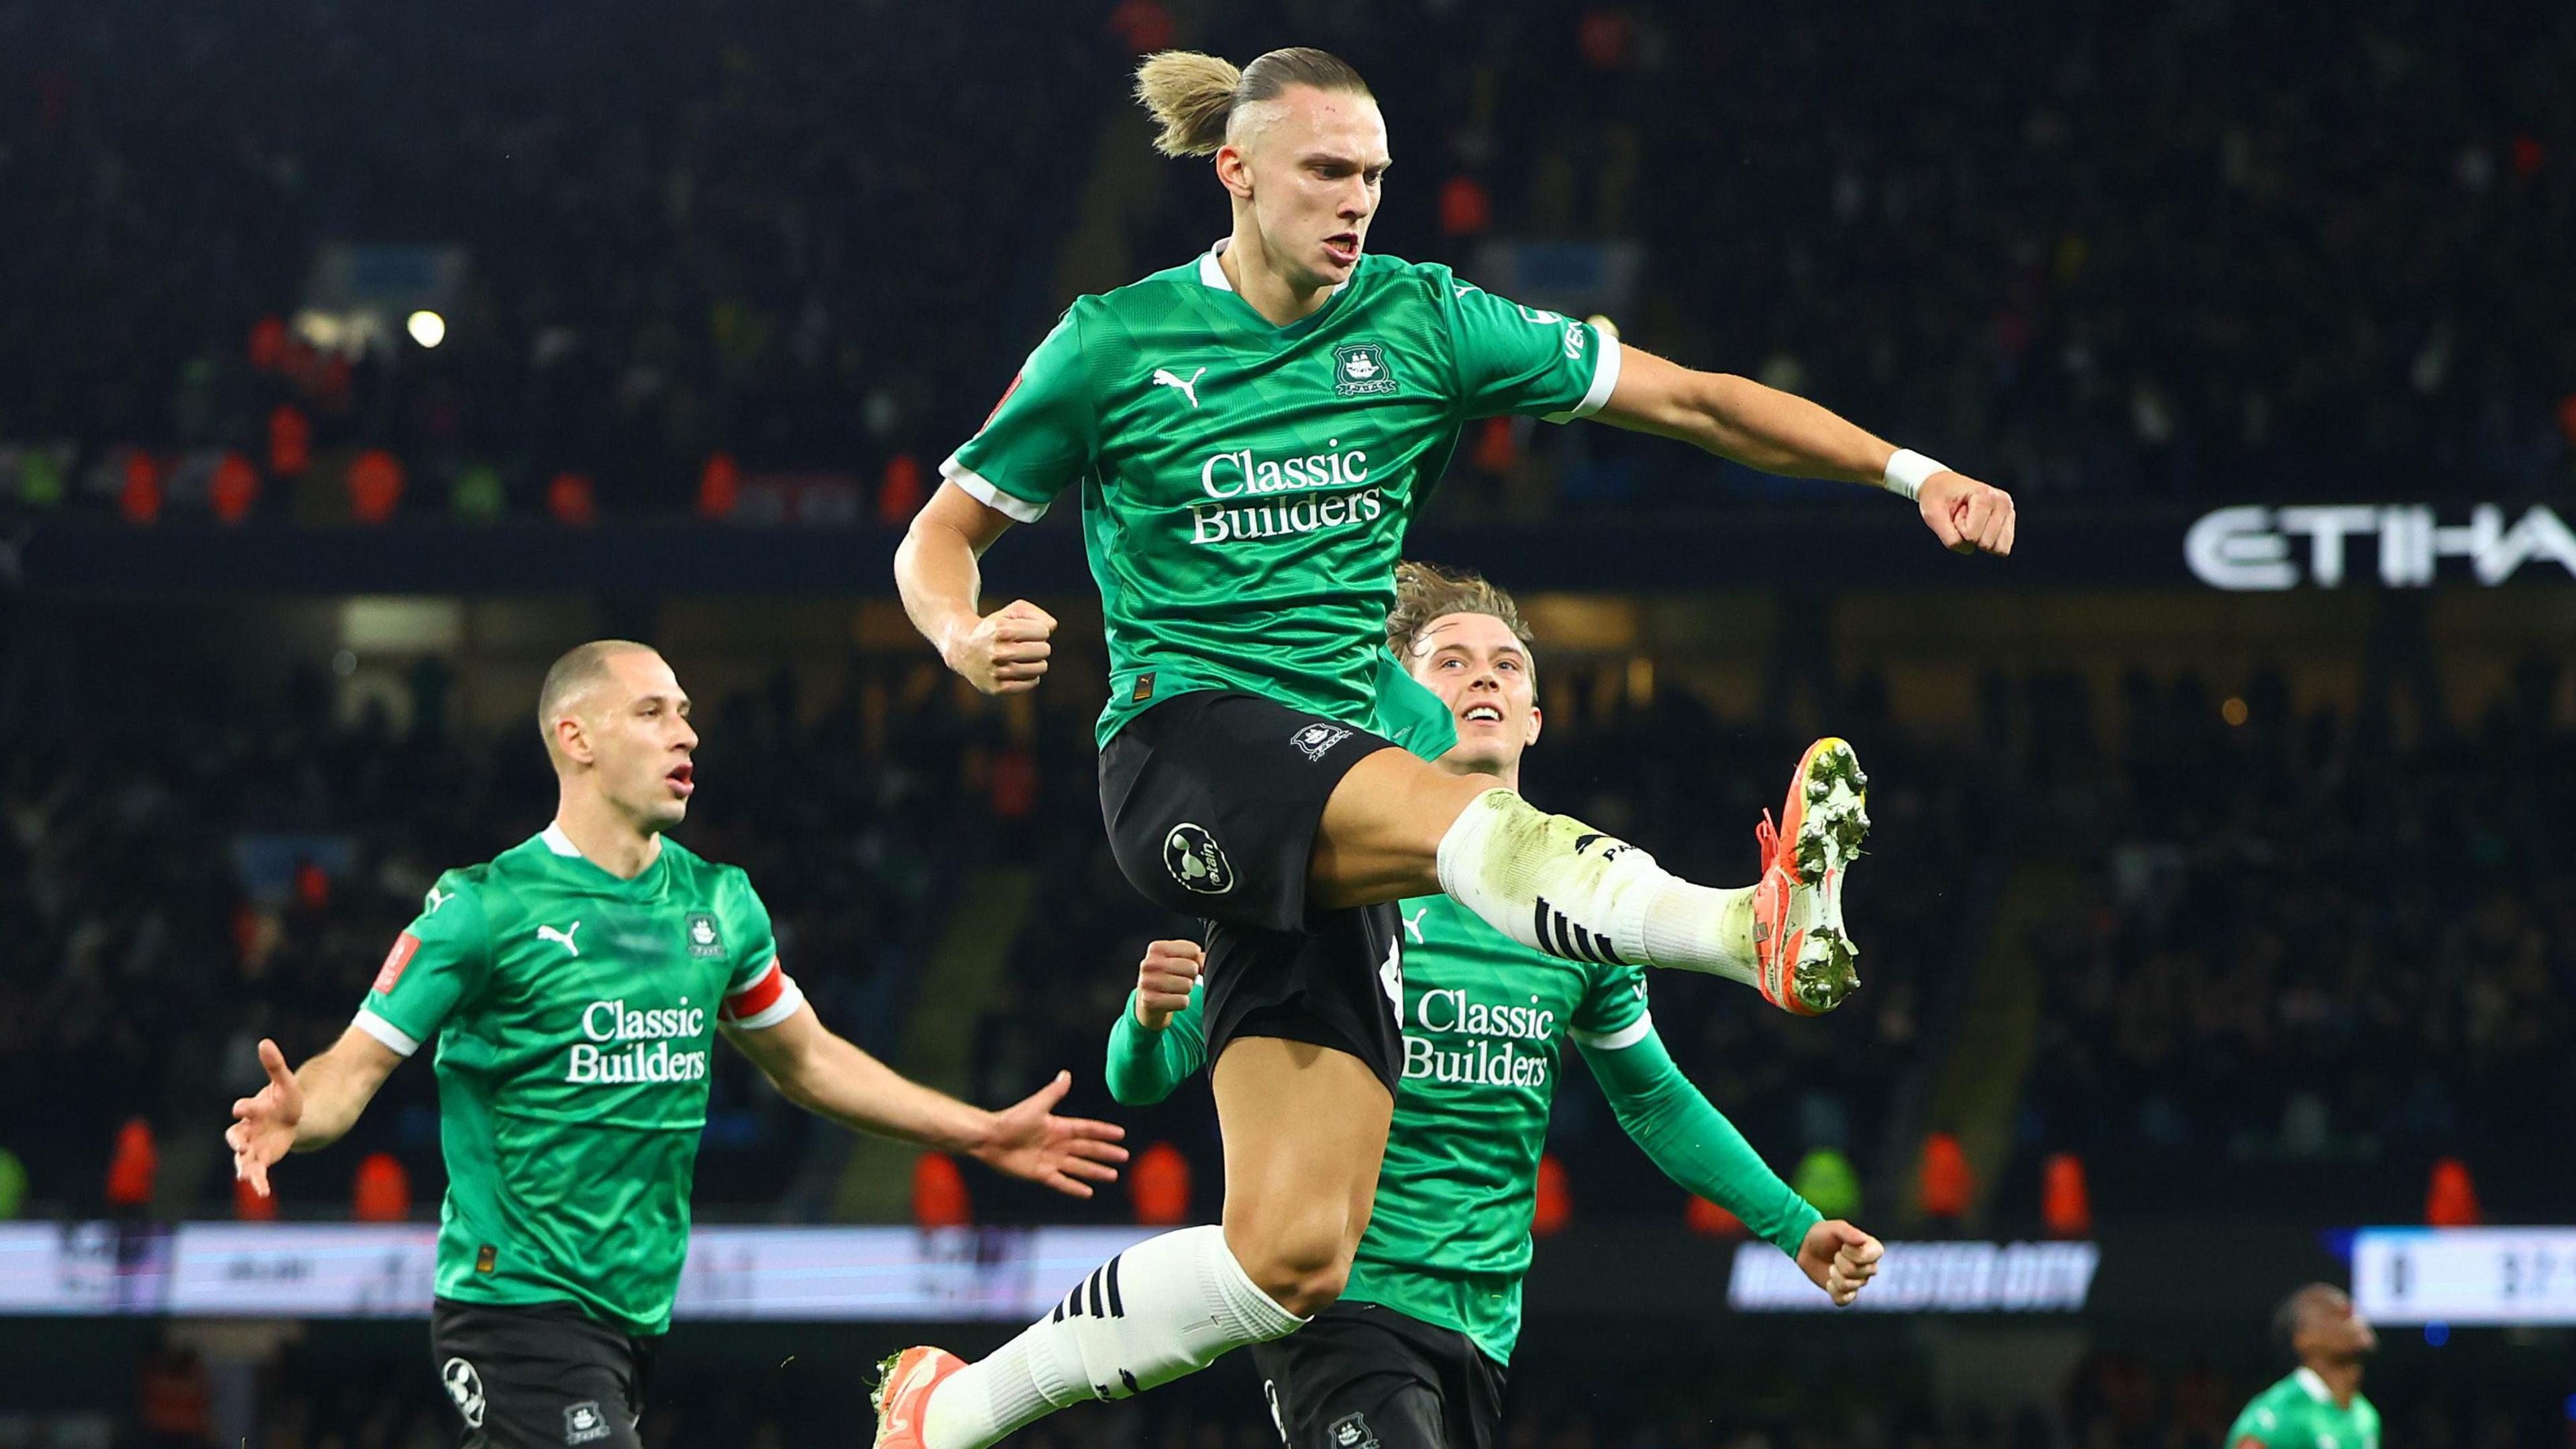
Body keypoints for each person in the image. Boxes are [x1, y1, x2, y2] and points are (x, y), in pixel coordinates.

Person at [881, 46, 2009, 1449]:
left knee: (1291, 1259)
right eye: (1326, 174)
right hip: (1187, 754)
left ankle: (950, 1411)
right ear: (1235, 172)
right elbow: (940, 535)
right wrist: (959, 634)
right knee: (1441, 810)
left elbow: (1701, 402)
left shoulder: (1425, 320)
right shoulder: (1114, 343)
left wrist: (1913, 473)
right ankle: (1738, 926)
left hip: (1325, 811)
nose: (1357, 203)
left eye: (1374, 177)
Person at [225, 641, 1128, 1449]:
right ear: (577, 739)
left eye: (688, 713)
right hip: (516, 1307)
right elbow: (350, 1073)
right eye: (653, 712)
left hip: (634, 1316)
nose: (686, 734)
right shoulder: (483, 909)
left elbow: (808, 1061)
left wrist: (980, 1131)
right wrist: (297, 1114)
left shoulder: (719, 904)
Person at [1104, 563, 1884, 1449]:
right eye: (1452, 661)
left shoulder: (1582, 912)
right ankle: (1746, 925)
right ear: (1398, 701)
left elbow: (1653, 1099)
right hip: (1338, 1301)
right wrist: (1150, 1018)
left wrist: (1793, 1226)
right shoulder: (1329, 878)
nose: (1485, 677)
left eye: (1508, 667)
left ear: (1535, 721)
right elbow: (1146, 1077)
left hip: (1480, 1326)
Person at [2224, 1284, 2381, 1449]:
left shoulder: (2365, 1414)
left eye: (2351, 1312)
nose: (2353, 1317)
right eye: (2334, 1314)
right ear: (2303, 1339)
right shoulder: (2279, 1414)